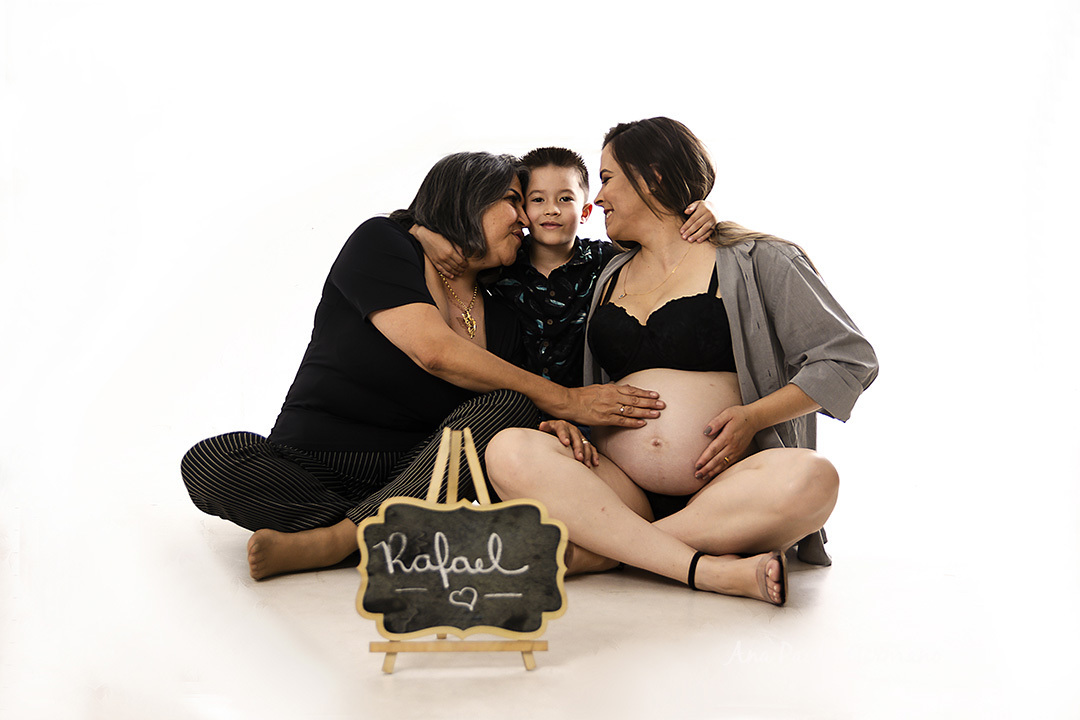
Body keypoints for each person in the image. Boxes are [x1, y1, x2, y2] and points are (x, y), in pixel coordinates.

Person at [181, 151, 664, 580]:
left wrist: (690, 216)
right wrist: (565, 399)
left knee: (510, 404)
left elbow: (503, 411)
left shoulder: (503, 310)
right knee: (210, 462)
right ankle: (399, 531)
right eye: (513, 201)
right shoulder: (384, 243)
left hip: (421, 473)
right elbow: (433, 351)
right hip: (314, 461)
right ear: (468, 198)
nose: (525, 219)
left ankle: (342, 539)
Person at [485, 118, 878, 605]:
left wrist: (753, 418)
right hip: (617, 488)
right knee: (508, 449)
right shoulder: (605, 272)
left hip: (726, 487)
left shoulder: (757, 258)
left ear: (651, 176)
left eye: (606, 178)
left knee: (814, 478)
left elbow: (848, 359)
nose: (598, 198)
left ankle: (609, 550)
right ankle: (705, 568)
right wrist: (569, 419)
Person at [417, 146, 718, 389]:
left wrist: (704, 209)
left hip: (589, 406)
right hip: (518, 407)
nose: (552, 209)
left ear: (585, 212)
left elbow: (661, 244)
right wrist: (422, 233)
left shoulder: (608, 261)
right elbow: (442, 230)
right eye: (537, 199)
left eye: (565, 198)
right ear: (522, 210)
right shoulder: (501, 264)